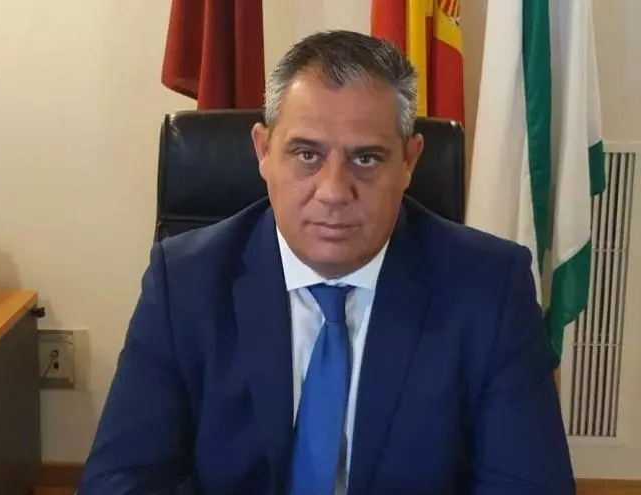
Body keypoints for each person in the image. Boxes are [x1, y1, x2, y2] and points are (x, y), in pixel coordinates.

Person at [79, 30, 574, 494]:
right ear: (263, 151)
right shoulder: (185, 283)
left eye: (366, 158)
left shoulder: (491, 290)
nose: (334, 192)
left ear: (409, 161)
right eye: (307, 155)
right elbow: (120, 480)